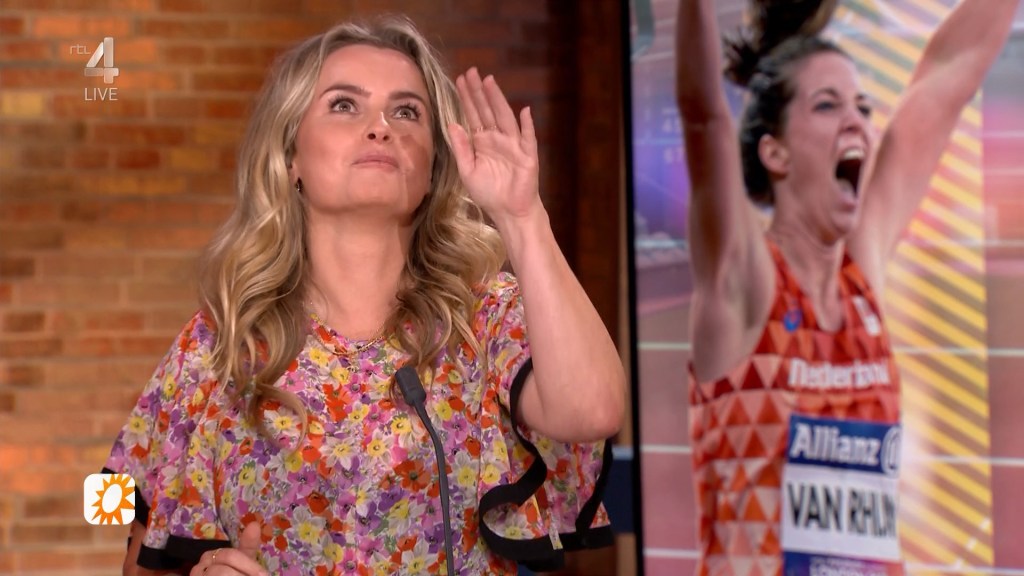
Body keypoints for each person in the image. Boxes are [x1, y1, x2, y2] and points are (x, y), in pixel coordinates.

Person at [103, 15, 625, 576]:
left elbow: (594, 410)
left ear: (434, 167)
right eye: (345, 105)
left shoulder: (485, 318)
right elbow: (122, 540)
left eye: (407, 112)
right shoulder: (218, 342)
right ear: (291, 156)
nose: (381, 128)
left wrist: (522, 217)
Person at [675, 0, 1018, 574]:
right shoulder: (745, 283)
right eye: (828, 105)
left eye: (862, 105)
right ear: (774, 151)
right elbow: (703, 116)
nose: (857, 120)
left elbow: (947, 78)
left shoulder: (862, 274)